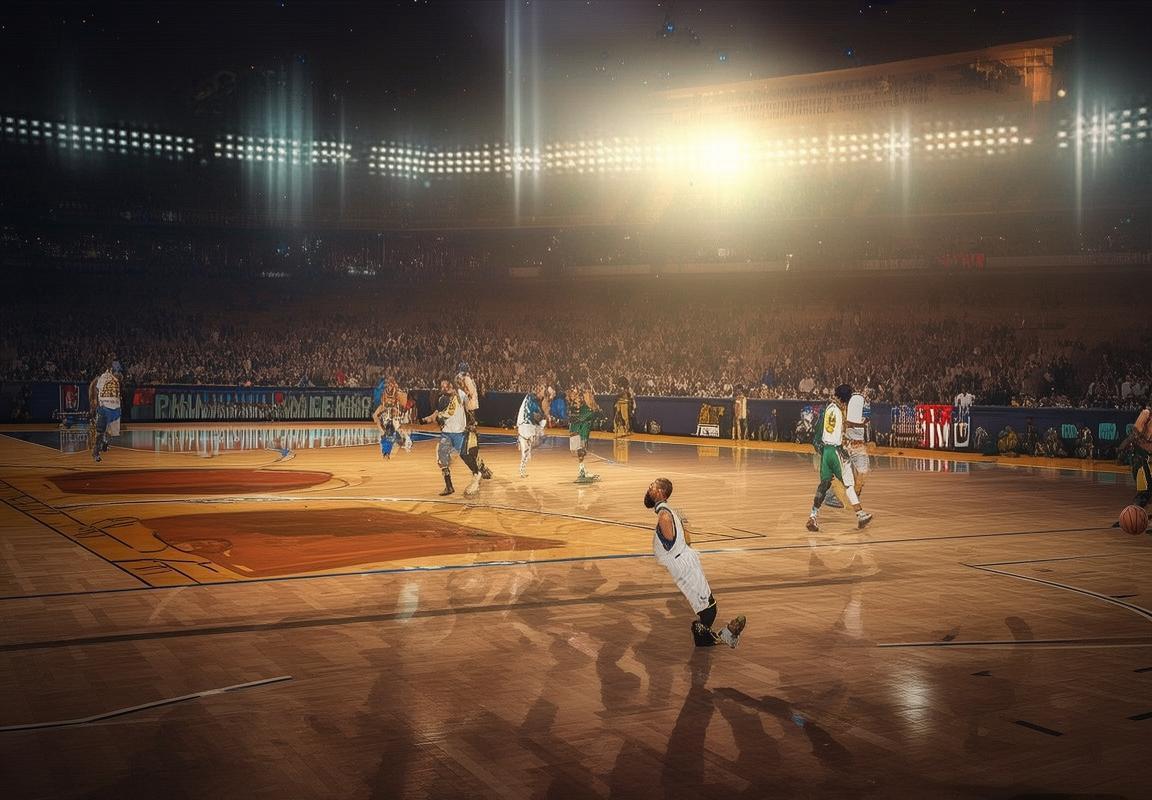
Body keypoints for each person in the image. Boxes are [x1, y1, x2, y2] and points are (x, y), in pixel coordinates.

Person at [644, 477, 746, 648]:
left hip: (683, 564)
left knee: (709, 608)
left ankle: (706, 636)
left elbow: (671, 545)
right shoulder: (668, 512)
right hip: (684, 563)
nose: (648, 489)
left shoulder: (665, 515)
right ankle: (711, 637)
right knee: (708, 607)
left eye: (652, 486)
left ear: (660, 492)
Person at [807, 384, 873, 532]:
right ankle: (861, 515)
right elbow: (842, 433)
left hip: (826, 452)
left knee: (823, 485)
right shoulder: (840, 411)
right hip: (836, 451)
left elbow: (822, 431)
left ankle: (813, 516)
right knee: (849, 484)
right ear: (846, 399)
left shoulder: (828, 408)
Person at [421, 378, 472, 496]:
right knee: (442, 459)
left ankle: (478, 471)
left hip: (459, 433)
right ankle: (449, 486)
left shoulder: (460, 394)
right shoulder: (442, 399)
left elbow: (469, 408)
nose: (444, 388)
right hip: (446, 433)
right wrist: (426, 419)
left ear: (451, 385)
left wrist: (471, 422)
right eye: (442, 386)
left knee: (466, 457)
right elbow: (437, 413)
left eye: (446, 385)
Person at [1113, 403, 1152, 528]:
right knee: (1144, 491)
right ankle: (1131, 518)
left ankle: (1133, 517)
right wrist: (1123, 447)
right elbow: (1135, 433)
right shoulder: (1146, 413)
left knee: (1146, 492)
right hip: (1142, 457)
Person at [455, 362, 492, 480]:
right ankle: (480, 467)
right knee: (469, 442)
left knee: (469, 443)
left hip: (467, 409)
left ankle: (479, 467)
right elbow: (470, 393)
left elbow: (469, 394)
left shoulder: (464, 379)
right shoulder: (466, 378)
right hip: (469, 409)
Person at [88, 359, 124, 462]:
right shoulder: (103, 378)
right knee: (100, 431)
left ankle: (104, 442)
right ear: (111, 369)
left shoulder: (116, 380)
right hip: (105, 408)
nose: (119, 373)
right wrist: (96, 402)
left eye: (119, 371)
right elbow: (97, 389)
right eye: (117, 371)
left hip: (114, 409)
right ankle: (95, 452)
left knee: (110, 432)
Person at [569, 383, 604, 483]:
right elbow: (581, 417)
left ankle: (582, 470)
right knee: (581, 451)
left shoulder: (584, 407)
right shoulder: (580, 408)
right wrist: (594, 411)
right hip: (579, 432)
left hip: (580, 431)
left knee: (582, 452)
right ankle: (581, 472)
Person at [371, 375, 412, 458]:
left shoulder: (397, 392)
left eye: (391, 383)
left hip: (394, 415)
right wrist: (378, 413)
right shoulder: (384, 393)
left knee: (393, 433)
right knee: (387, 433)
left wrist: (398, 411)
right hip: (386, 414)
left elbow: (403, 402)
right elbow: (383, 405)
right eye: (388, 383)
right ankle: (386, 451)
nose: (389, 385)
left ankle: (405, 441)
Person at [516, 384, 549, 478]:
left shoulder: (530, 398)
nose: (543, 396)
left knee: (526, 450)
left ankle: (522, 469)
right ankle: (522, 469)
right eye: (542, 392)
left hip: (524, 426)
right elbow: (537, 415)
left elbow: (537, 415)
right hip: (526, 426)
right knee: (527, 450)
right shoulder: (532, 399)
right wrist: (544, 415)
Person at [844, 386, 871, 498]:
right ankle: (854, 494)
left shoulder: (861, 401)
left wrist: (850, 423)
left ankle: (855, 494)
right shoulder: (860, 401)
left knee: (859, 472)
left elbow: (865, 420)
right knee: (857, 472)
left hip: (854, 442)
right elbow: (865, 420)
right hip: (851, 442)